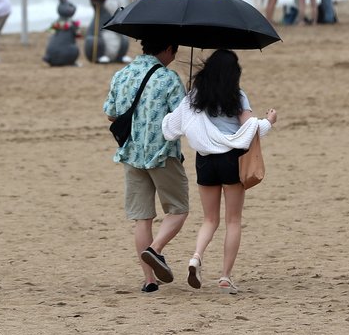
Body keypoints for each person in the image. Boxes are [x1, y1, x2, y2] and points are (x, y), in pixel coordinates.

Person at [160, 49, 277, 295]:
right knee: (233, 220)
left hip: (205, 161)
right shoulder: (237, 95)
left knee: (209, 220)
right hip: (230, 160)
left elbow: (174, 124)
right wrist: (269, 120)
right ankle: (224, 278)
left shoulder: (195, 95)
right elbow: (250, 129)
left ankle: (196, 257)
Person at [103, 39, 190, 293]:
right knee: (178, 209)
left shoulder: (122, 74)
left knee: (142, 218)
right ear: (166, 48)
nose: (174, 55)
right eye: (175, 50)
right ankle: (155, 249)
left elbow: (111, 113)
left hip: (130, 152)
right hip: (162, 153)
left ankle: (150, 281)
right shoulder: (168, 78)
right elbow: (181, 119)